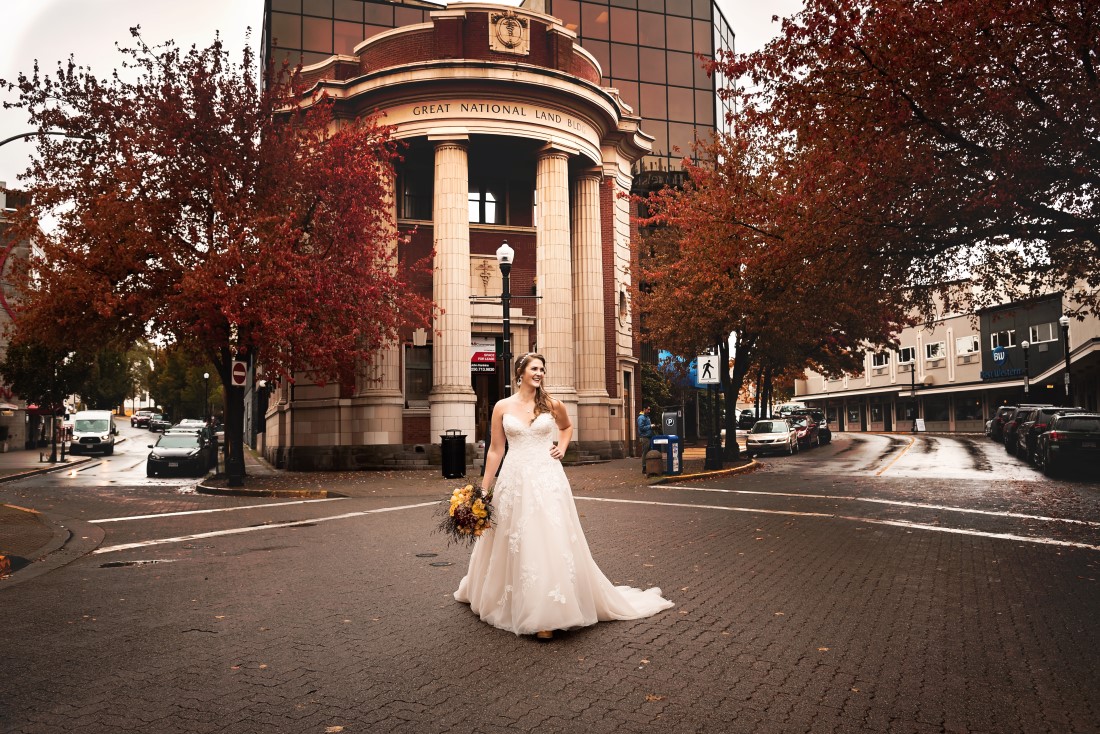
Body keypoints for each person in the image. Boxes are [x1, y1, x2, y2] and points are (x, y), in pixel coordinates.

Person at [455, 353, 674, 639]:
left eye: (542, 369)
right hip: (514, 479)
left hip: (547, 478)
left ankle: (547, 613)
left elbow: (567, 427)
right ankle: (507, 599)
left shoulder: (552, 404)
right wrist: (484, 489)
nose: (539, 373)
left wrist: (563, 446)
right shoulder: (502, 407)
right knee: (513, 537)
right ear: (520, 372)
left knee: (548, 538)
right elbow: (496, 450)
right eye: (534, 368)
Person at [636, 406, 654, 473]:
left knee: (647, 451)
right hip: (645, 437)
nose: (649, 411)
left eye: (649, 409)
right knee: (645, 452)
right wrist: (650, 426)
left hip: (648, 436)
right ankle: (644, 467)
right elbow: (641, 428)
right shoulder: (641, 418)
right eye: (648, 409)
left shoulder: (647, 417)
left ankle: (647, 466)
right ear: (644, 409)